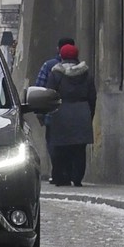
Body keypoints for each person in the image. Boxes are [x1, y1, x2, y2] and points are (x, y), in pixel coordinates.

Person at [45, 44, 96, 187]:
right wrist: (89, 113)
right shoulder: (86, 74)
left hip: (60, 112)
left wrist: (48, 113)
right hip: (82, 112)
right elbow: (92, 96)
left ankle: (62, 177)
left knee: (60, 148)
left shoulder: (56, 74)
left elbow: (49, 94)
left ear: (61, 56)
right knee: (79, 148)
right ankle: (77, 177)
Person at [35, 37, 75, 184]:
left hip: (54, 114)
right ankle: (70, 174)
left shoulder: (49, 66)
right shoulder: (82, 68)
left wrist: (40, 112)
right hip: (76, 116)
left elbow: (40, 88)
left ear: (59, 49)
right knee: (73, 146)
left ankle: (58, 174)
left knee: (54, 145)